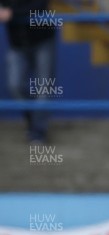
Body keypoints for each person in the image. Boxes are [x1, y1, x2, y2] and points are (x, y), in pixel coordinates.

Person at [0, 0, 57, 144]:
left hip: (43, 40)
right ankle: (34, 122)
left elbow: (40, 4)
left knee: (44, 87)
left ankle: (38, 132)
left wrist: (12, 12)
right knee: (15, 85)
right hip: (17, 44)